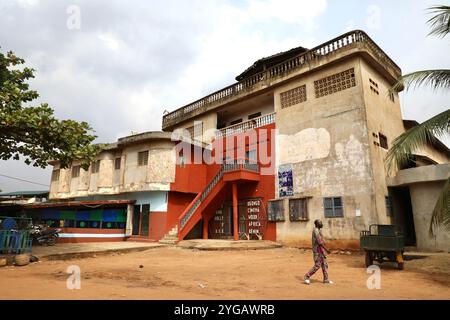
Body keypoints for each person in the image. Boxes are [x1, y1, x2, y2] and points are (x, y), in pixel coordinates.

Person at [304, 219, 333, 284]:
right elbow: (320, 242)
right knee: (317, 265)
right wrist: (326, 249)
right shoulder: (316, 231)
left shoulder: (319, 230)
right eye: (320, 223)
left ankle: (326, 279)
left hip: (322, 251)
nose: (321, 224)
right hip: (318, 251)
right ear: (317, 224)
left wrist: (324, 250)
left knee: (325, 265)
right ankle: (306, 276)